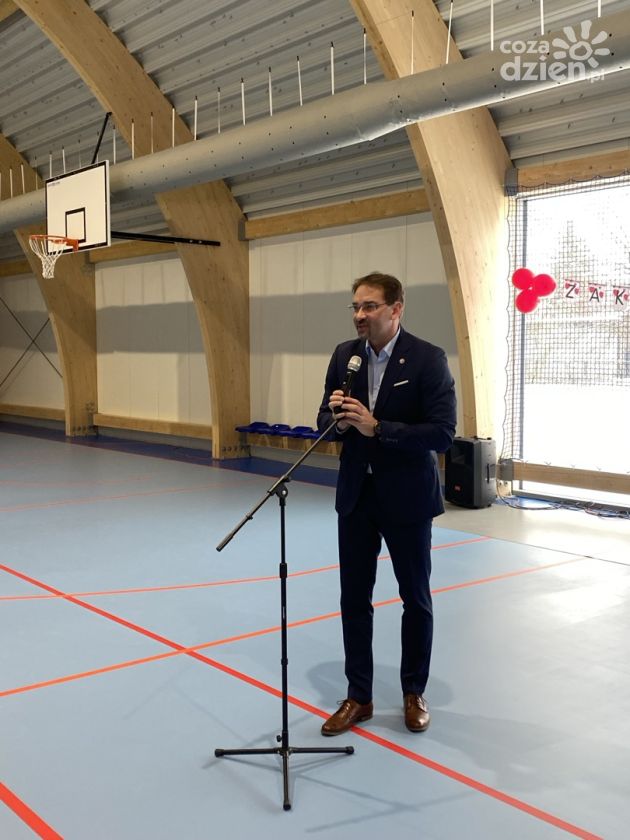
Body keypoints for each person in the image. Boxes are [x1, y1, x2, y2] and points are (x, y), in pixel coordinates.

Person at [317, 271, 456, 735]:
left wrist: (378, 428)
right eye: (356, 306)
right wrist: (338, 421)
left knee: (415, 599)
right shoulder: (345, 355)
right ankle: (359, 696)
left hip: (407, 498)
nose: (360, 314)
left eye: (370, 306)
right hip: (357, 496)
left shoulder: (428, 359)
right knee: (354, 599)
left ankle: (414, 691)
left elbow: (442, 433)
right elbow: (322, 419)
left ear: (396, 309)